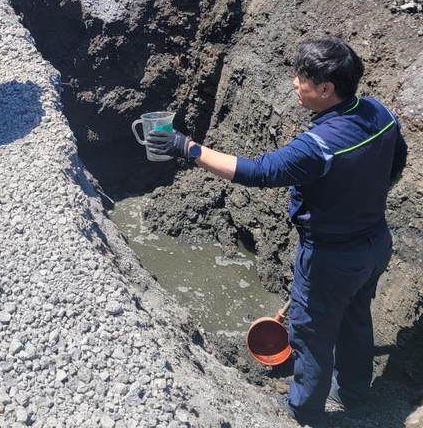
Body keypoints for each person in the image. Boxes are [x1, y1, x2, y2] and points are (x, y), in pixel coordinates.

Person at [148, 38, 407, 427]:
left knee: (311, 337)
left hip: (330, 259)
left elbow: (259, 172)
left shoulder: (318, 146)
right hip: (374, 244)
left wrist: (188, 147)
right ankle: (355, 396)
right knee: (355, 316)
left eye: (302, 78)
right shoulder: (377, 111)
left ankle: (304, 412)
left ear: (326, 89)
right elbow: (398, 160)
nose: (293, 83)